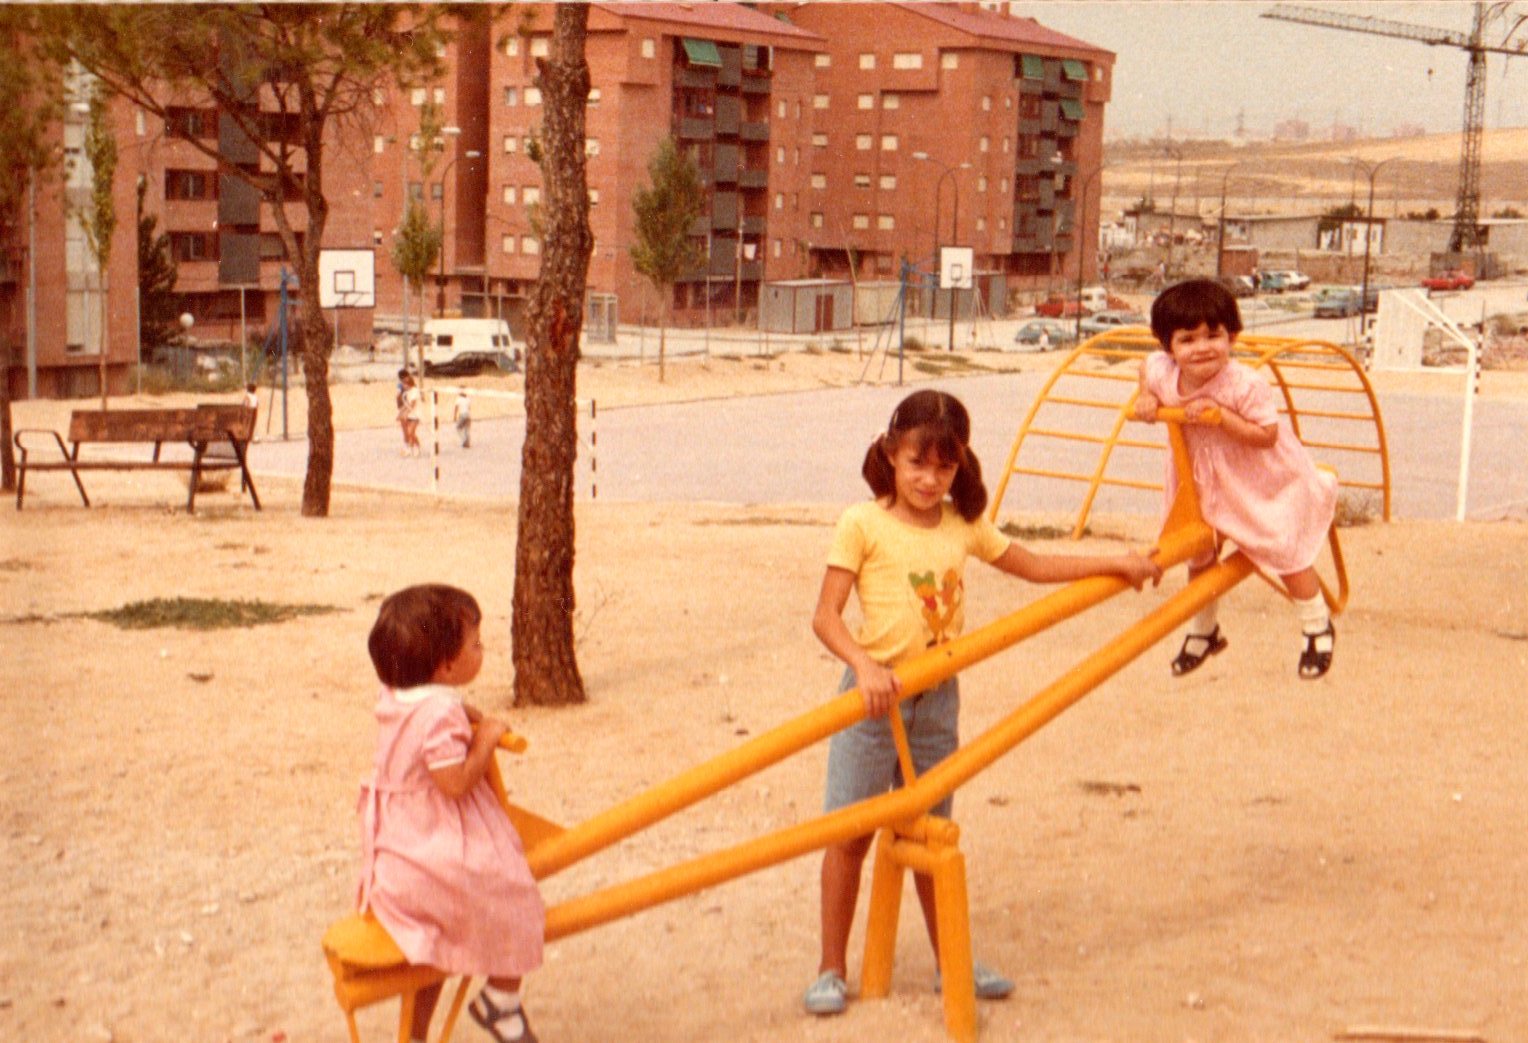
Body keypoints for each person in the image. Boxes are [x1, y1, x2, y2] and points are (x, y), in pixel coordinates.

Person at [802, 389, 1161, 1017]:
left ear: (960, 465)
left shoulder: (962, 525)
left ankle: (951, 963)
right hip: (873, 699)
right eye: (916, 462)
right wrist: (863, 666)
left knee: (931, 834)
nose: (928, 479)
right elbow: (825, 616)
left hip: (936, 701)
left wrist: (1117, 562)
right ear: (890, 455)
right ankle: (831, 967)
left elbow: (1033, 564)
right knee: (850, 835)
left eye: (944, 468)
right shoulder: (862, 523)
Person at [360, 584, 545, 1043]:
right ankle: (500, 1001)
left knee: (441, 943)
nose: (482, 651)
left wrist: (460, 707)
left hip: (397, 843)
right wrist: (484, 738)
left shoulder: (396, 695)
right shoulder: (438, 715)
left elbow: (428, 711)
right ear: (445, 666)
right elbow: (455, 782)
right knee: (516, 892)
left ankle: (417, 1035)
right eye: (476, 645)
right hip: (432, 844)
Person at [1131, 278, 1338, 680]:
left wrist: (1222, 416)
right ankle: (1204, 630)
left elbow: (1266, 436)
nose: (1203, 347)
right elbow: (1145, 368)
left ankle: (1316, 623)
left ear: (1232, 337)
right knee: (1199, 554)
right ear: (1168, 348)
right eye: (1188, 339)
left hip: (1260, 477)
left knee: (1282, 547)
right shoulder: (1162, 370)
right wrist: (1145, 396)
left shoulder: (1244, 384)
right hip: (1202, 478)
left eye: (1214, 335)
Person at [397, 369, 422, 458]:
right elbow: (406, 404)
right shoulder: (407, 393)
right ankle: (410, 448)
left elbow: (412, 404)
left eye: (405, 385)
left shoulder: (415, 391)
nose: (403, 386)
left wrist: (406, 413)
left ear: (409, 384)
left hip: (416, 415)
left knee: (411, 432)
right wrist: (400, 412)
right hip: (410, 415)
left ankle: (417, 447)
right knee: (408, 432)